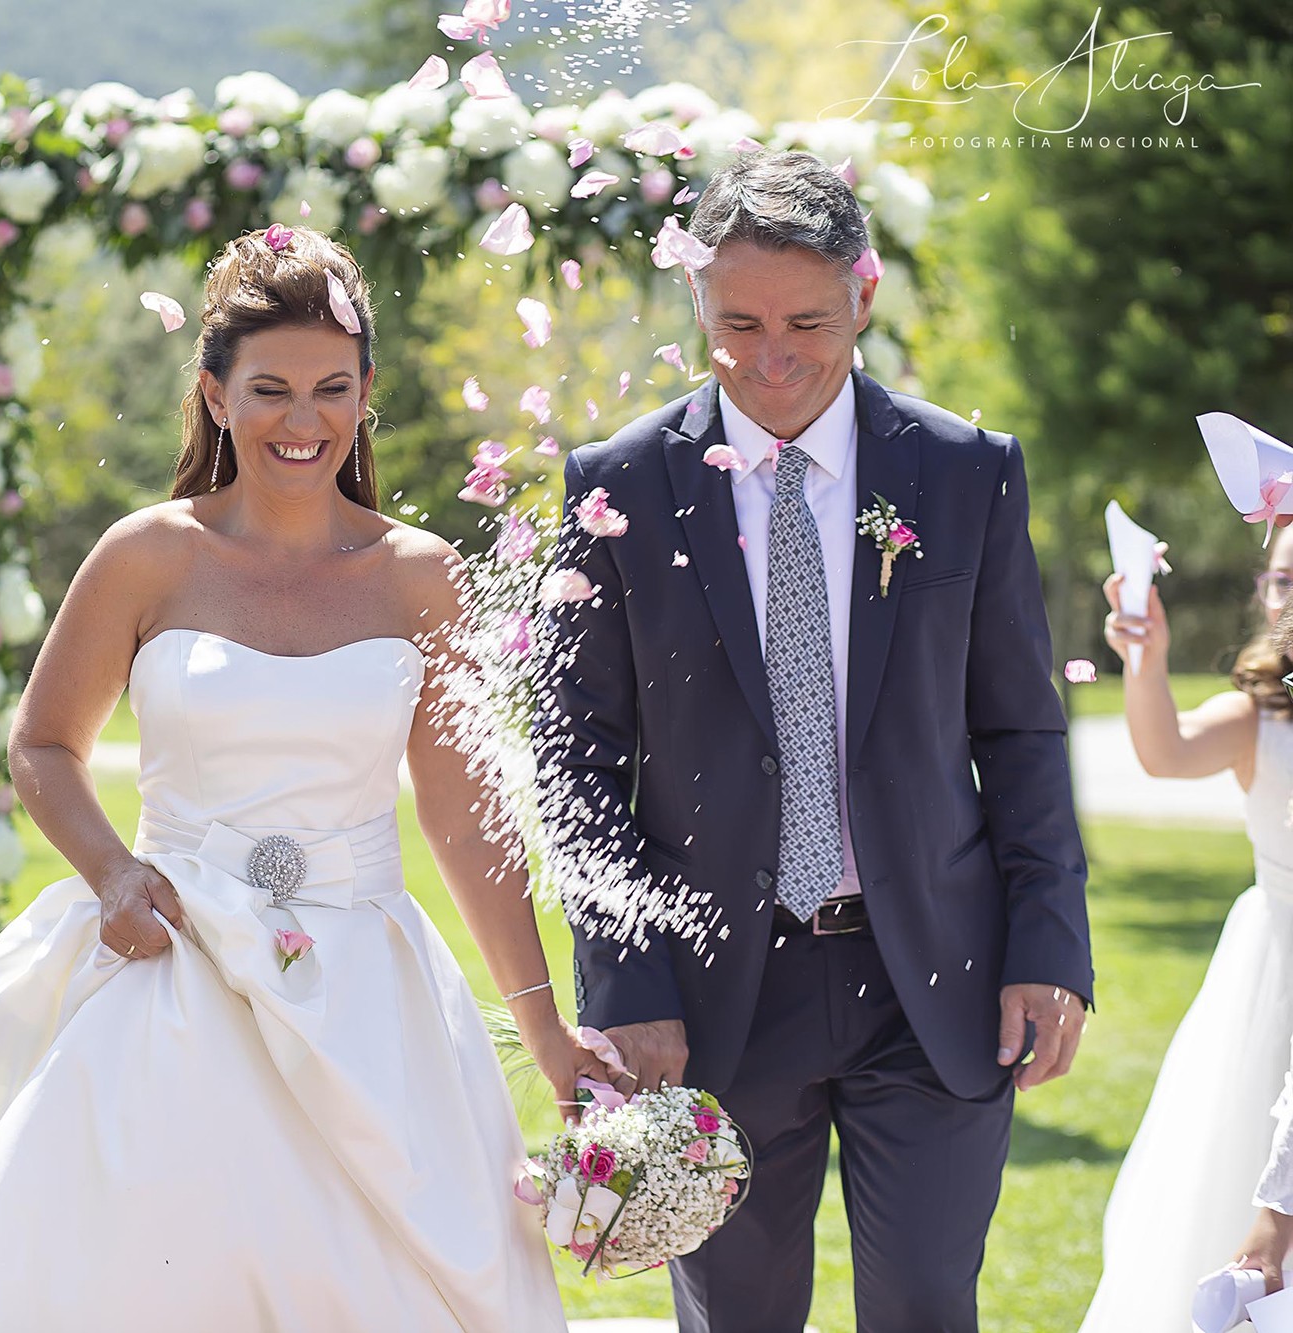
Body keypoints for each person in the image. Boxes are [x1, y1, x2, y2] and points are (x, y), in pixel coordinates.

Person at [0, 227, 618, 1331]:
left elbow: (464, 816)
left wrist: (545, 1028)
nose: (301, 419)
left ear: (365, 395)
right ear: (214, 393)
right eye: (268, 388)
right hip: (172, 971)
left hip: (368, 988)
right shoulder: (146, 554)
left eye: (330, 389)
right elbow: (42, 745)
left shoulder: (420, 576)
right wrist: (114, 874)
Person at [541, 151, 1091, 1333]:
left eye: (804, 320)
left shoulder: (962, 473)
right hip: (714, 991)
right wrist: (627, 976)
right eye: (734, 320)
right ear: (694, 298)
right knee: (735, 1317)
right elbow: (573, 760)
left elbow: (1021, 728)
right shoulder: (615, 487)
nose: (768, 353)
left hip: (932, 976)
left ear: (864, 293)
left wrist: (1047, 941)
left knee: (927, 1305)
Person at [1079, 531, 1293, 1325]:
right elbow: (1165, 751)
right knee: (1241, 1167)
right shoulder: (1259, 713)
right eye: (1276, 578)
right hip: (1276, 974)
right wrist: (1146, 658)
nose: (1285, 594)